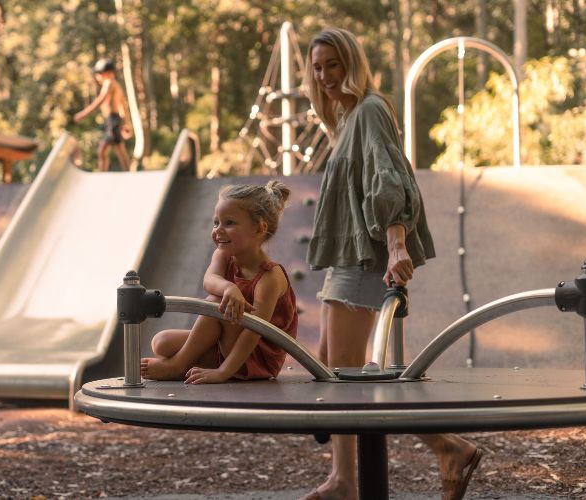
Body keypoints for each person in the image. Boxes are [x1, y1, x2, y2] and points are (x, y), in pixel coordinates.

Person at [301, 28, 482, 500]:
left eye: (332, 65)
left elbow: (389, 178)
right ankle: (347, 476)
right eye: (317, 67)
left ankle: (444, 448)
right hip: (347, 256)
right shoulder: (345, 120)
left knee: (345, 374)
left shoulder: (370, 110)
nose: (324, 76)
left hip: (365, 256)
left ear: (352, 63)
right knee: (331, 366)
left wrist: (397, 244)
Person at [141, 181, 297, 384]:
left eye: (229, 223)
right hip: (228, 342)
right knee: (161, 343)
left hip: (255, 356)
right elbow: (210, 280)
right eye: (216, 223)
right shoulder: (223, 256)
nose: (218, 230)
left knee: (216, 301)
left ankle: (178, 366)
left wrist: (222, 373)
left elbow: (253, 332)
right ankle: (192, 367)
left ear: (259, 229)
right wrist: (229, 287)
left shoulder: (269, 278)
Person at [73, 58, 131, 172]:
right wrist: (125, 123)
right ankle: (127, 172)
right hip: (113, 120)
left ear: (109, 73)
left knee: (103, 150)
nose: (97, 76)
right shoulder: (117, 85)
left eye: (99, 74)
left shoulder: (109, 83)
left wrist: (82, 114)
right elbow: (122, 107)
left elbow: (100, 100)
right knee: (119, 150)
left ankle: (102, 174)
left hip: (113, 120)